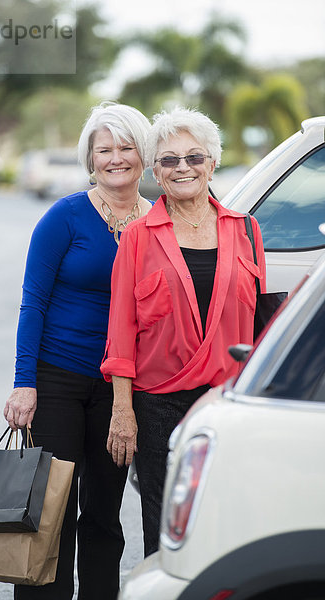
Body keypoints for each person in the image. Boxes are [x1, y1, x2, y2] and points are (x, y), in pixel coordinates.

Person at [101, 106, 266, 557]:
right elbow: (121, 332)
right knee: (162, 522)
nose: (183, 168)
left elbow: (259, 327)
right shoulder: (137, 236)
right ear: (156, 170)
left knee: (228, 514)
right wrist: (123, 411)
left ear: (212, 163)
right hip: (157, 405)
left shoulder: (247, 230)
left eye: (194, 157)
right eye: (169, 160)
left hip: (226, 401)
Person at [3, 102, 152, 600]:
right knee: (52, 512)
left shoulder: (156, 224)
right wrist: (25, 382)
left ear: (143, 154)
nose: (116, 158)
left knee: (105, 514)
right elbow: (33, 302)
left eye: (126, 147)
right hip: (58, 379)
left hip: (121, 388)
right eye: (104, 149)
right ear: (90, 159)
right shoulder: (64, 217)